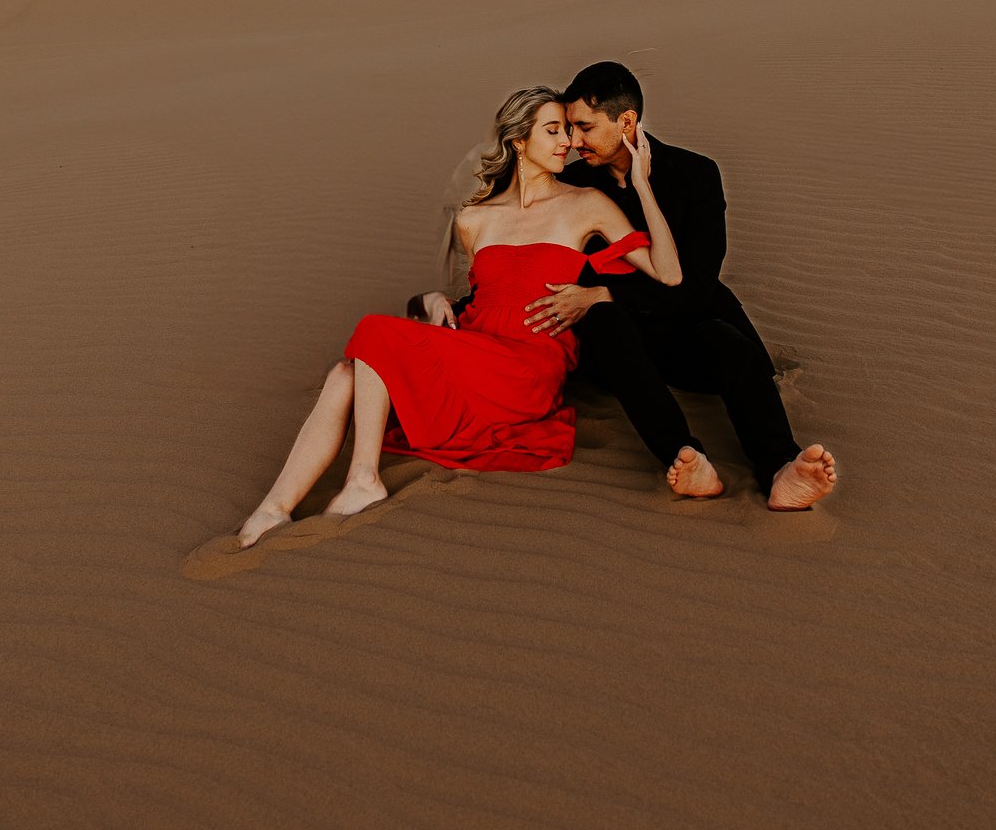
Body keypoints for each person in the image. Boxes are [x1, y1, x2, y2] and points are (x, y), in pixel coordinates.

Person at [235, 86, 685, 548]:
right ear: (517, 142)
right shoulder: (475, 219)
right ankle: (273, 509)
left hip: (528, 366)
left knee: (373, 331)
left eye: (568, 131)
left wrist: (643, 187)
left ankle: (364, 478)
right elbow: (479, 298)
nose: (567, 143)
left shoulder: (586, 204)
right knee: (344, 371)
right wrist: (430, 298)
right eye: (553, 131)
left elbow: (668, 274)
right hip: (476, 352)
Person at [514, 60, 836, 510]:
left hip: (686, 325)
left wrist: (606, 292)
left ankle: (781, 468)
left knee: (731, 345)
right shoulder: (572, 183)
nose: (573, 142)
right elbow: (530, 257)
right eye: (568, 129)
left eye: (584, 127)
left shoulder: (694, 175)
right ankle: (686, 458)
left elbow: (698, 287)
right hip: (616, 343)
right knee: (604, 323)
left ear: (626, 121)